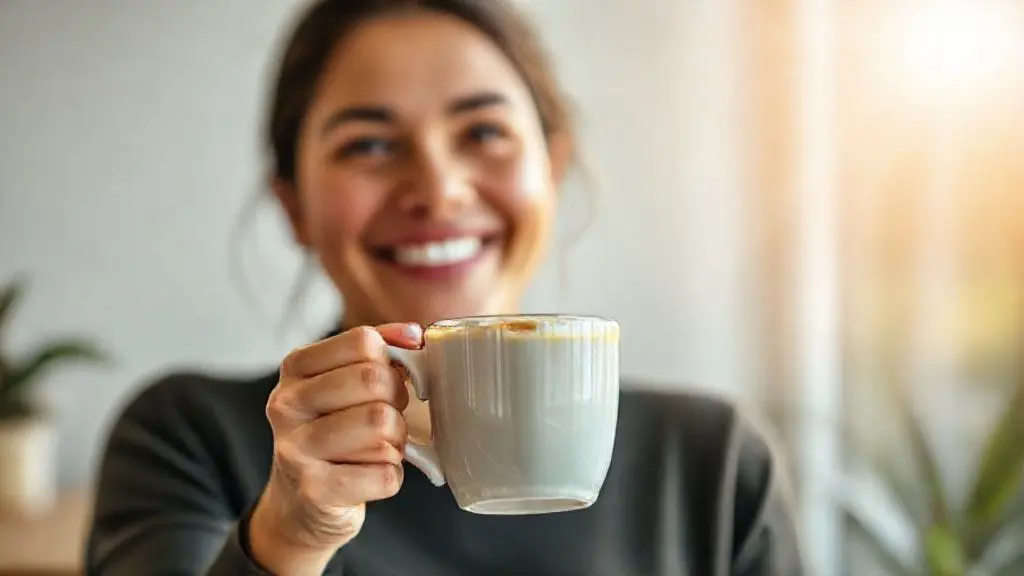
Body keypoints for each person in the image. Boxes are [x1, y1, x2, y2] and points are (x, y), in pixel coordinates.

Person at [85, 1, 805, 574]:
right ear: (294, 205)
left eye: (484, 132)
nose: (436, 189)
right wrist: (290, 536)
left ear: (551, 171)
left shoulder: (713, 466)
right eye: (369, 144)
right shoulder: (189, 440)